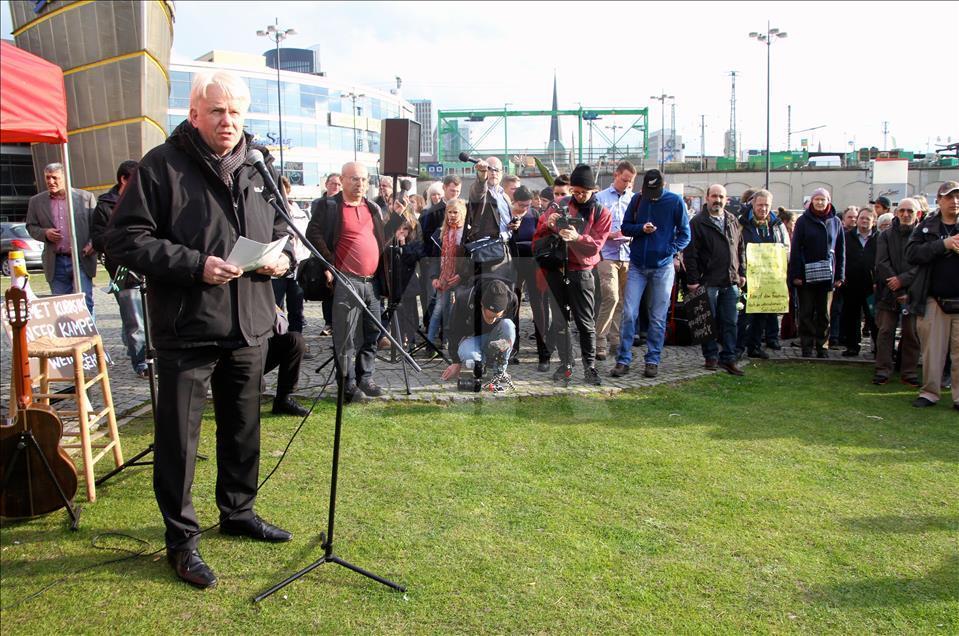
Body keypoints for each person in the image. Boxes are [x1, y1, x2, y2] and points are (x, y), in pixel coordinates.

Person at [106, 70, 295, 589]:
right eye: (217, 111)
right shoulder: (160, 166)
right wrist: (196, 265)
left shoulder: (259, 166)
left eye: (235, 112)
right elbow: (123, 241)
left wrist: (283, 259)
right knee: (179, 442)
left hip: (250, 321)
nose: (228, 121)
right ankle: (182, 540)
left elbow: (282, 229)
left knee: (243, 428)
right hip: (187, 328)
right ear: (194, 114)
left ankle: (238, 512)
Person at [305, 161, 387, 402]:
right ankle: (347, 383)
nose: (360, 183)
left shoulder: (372, 207)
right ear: (342, 179)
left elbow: (379, 240)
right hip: (346, 282)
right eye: (354, 178)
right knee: (345, 337)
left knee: (372, 332)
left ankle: (365, 376)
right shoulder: (329, 206)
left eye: (363, 179)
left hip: (371, 282)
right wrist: (330, 264)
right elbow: (313, 234)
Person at [533, 164, 611, 385]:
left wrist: (577, 237)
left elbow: (596, 245)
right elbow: (541, 229)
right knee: (559, 321)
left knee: (585, 322)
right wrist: (549, 223)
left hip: (582, 271)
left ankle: (590, 366)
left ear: (593, 191)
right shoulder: (561, 204)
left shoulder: (601, 212)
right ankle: (566, 364)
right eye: (575, 191)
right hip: (557, 267)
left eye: (583, 193)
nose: (578, 196)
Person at [612, 169, 691, 379]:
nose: (651, 196)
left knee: (657, 317)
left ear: (663, 186)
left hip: (662, 266)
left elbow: (685, 234)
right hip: (637, 264)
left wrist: (669, 249)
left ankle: (652, 359)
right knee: (629, 313)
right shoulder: (638, 199)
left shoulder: (675, 202)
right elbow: (626, 227)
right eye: (648, 191)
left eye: (654, 192)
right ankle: (623, 359)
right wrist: (641, 229)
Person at [89, 160, 147, 376]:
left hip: (147, 271)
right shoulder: (105, 206)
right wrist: (125, 240)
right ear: (123, 179)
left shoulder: (144, 200)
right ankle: (141, 363)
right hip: (123, 273)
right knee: (134, 321)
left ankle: (142, 352)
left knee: (145, 319)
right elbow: (97, 239)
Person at [904, 181, 959, 410]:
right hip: (934, 299)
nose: (954, 201)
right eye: (949, 197)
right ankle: (930, 392)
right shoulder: (926, 227)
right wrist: (943, 245)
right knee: (932, 352)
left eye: (957, 197)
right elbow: (912, 254)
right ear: (939, 200)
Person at [684, 184, 747, 376]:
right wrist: (693, 280)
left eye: (721, 197)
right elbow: (690, 254)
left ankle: (729, 358)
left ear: (726, 199)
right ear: (707, 198)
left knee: (730, 322)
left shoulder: (732, 220)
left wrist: (742, 272)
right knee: (707, 322)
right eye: (714, 196)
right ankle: (710, 356)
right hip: (708, 280)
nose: (717, 200)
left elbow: (740, 249)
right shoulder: (697, 222)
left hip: (730, 280)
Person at [25, 162, 98, 316]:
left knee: (84, 303)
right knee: (61, 306)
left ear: (65, 178)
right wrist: (45, 233)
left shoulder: (85, 197)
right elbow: (31, 226)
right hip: (55, 261)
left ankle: (89, 339)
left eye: (55, 178)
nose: (51, 182)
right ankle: (67, 340)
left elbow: (98, 227)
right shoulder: (36, 202)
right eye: (48, 178)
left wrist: (93, 244)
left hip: (81, 259)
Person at [788, 188, 845, 358]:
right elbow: (796, 248)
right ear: (811, 201)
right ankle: (806, 345)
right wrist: (796, 275)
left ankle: (822, 346)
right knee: (805, 312)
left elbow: (841, 249)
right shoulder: (803, 221)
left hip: (828, 276)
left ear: (829, 201)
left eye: (823, 199)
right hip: (806, 275)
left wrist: (840, 275)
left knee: (824, 313)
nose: (820, 202)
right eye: (817, 199)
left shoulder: (835, 222)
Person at [737, 189, 790, 359]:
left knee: (762, 313)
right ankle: (738, 348)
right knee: (743, 314)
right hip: (747, 275)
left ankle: (755, 347)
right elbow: (735, 247)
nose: (763, 209)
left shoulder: (777, 225)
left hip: (768, 277)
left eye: (767, 205)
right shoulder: (742, 222)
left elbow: (785, 247)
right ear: (753, 204)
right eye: (760, 205)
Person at [441, 277, 517, 392]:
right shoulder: (464, 299)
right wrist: (456, 362)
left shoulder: (512, 300)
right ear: (482, 304)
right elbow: (454, 330)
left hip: (495, 338)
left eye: (497, 316)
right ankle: (480, 365)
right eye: (490, 316)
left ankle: (499, 371)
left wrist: (503, 351)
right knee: (468, 356)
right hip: (472, 338)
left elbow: (509, 334)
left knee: (509, 325)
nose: (493, 320)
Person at [873, 198, 920, 386]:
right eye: (902, 211)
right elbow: (881, 263)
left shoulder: (923, 235)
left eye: (910, 211)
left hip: (914, 291)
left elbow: (923, 265)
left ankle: (908, 372)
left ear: (918, 214)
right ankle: (882, 370)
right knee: (885, 331)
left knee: (911, 333)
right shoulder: (885, 235)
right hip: (888, 291)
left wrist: (904, 281)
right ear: (896, 212)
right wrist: (896, 284)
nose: (905, 214)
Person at [594, 161, 637, 361]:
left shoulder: (634, 199)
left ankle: (616, 339)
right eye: (624, 180)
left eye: (630, 182)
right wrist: (609, 235)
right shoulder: (600, 198)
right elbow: (592, 227)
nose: (627, 184)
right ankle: (599, 341)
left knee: (623, 299)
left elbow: (636, 225)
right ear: (616, 175)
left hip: (627, 254)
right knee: (610, 296)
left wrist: (632, 234)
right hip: (607, 254)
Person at [506, 185, 549, 365]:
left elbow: (542, 237)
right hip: (513, 265)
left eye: (528, 205)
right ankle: (512, 349)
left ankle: (543, 353)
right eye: (521, 205)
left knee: (538, 307)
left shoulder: (535, 215)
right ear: (514, 202)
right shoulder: (506, 213)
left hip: (532, 264)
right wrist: (509, 228)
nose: (525, 209)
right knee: (512, 306)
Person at [427, 199, 471, 346]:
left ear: (462, 213)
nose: (452, 215)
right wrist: (434, 277)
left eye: (455, 212)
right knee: (439, 309)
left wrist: (461, 275)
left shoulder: (467, 233)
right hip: (443, 277)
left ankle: (449, 340)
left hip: (461, 278)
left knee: (457, 309)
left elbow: (471, 259)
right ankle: (430, 343)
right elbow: (434, 258)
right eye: (449, 212)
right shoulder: (441, 233)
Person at [272, 176, 310, 336]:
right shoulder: (271, 209)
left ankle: (297, 339)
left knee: (296, 308)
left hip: (297, 267)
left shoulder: (299, 213)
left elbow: (306, 238)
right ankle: (276, 341)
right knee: (276, 307)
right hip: (276, 269)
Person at [467, 156, 514, 280]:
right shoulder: (481, 191)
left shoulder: (504, 196)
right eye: (490, 169)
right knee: (493, 293)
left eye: (497, 170)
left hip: (507, 249)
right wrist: (481, 177)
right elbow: (478, 191)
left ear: (502, 173)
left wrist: (514, 225)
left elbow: (504, 222)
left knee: (509, 292)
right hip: (489, 251)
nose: (493, 172)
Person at [840, 207, 878, 356]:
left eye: (868, 219)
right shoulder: (847, 237)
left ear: (873, 221)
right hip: (851, 284)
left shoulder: (879, 238)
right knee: (852, 317)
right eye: (862, 218)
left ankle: (878, 348)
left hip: (872, 286)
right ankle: (852, 346)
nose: (864, 221)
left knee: (873, 318)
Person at [310, 173, 344, 336]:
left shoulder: (343, 204)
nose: (336, 187)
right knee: (327, 291)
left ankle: (337, 324)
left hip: (340, 256)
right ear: (327, 184)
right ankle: (329, 322)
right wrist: (326, 262)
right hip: (324, 253)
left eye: (338, 184)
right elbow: (315, 232)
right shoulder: (319, 204)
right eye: (333, 183)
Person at [266, 306, 309, 417]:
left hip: (262, 344)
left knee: (295, 340)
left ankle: (283, 400)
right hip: (238, 348)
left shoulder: (260, 291)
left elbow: (282, 323)